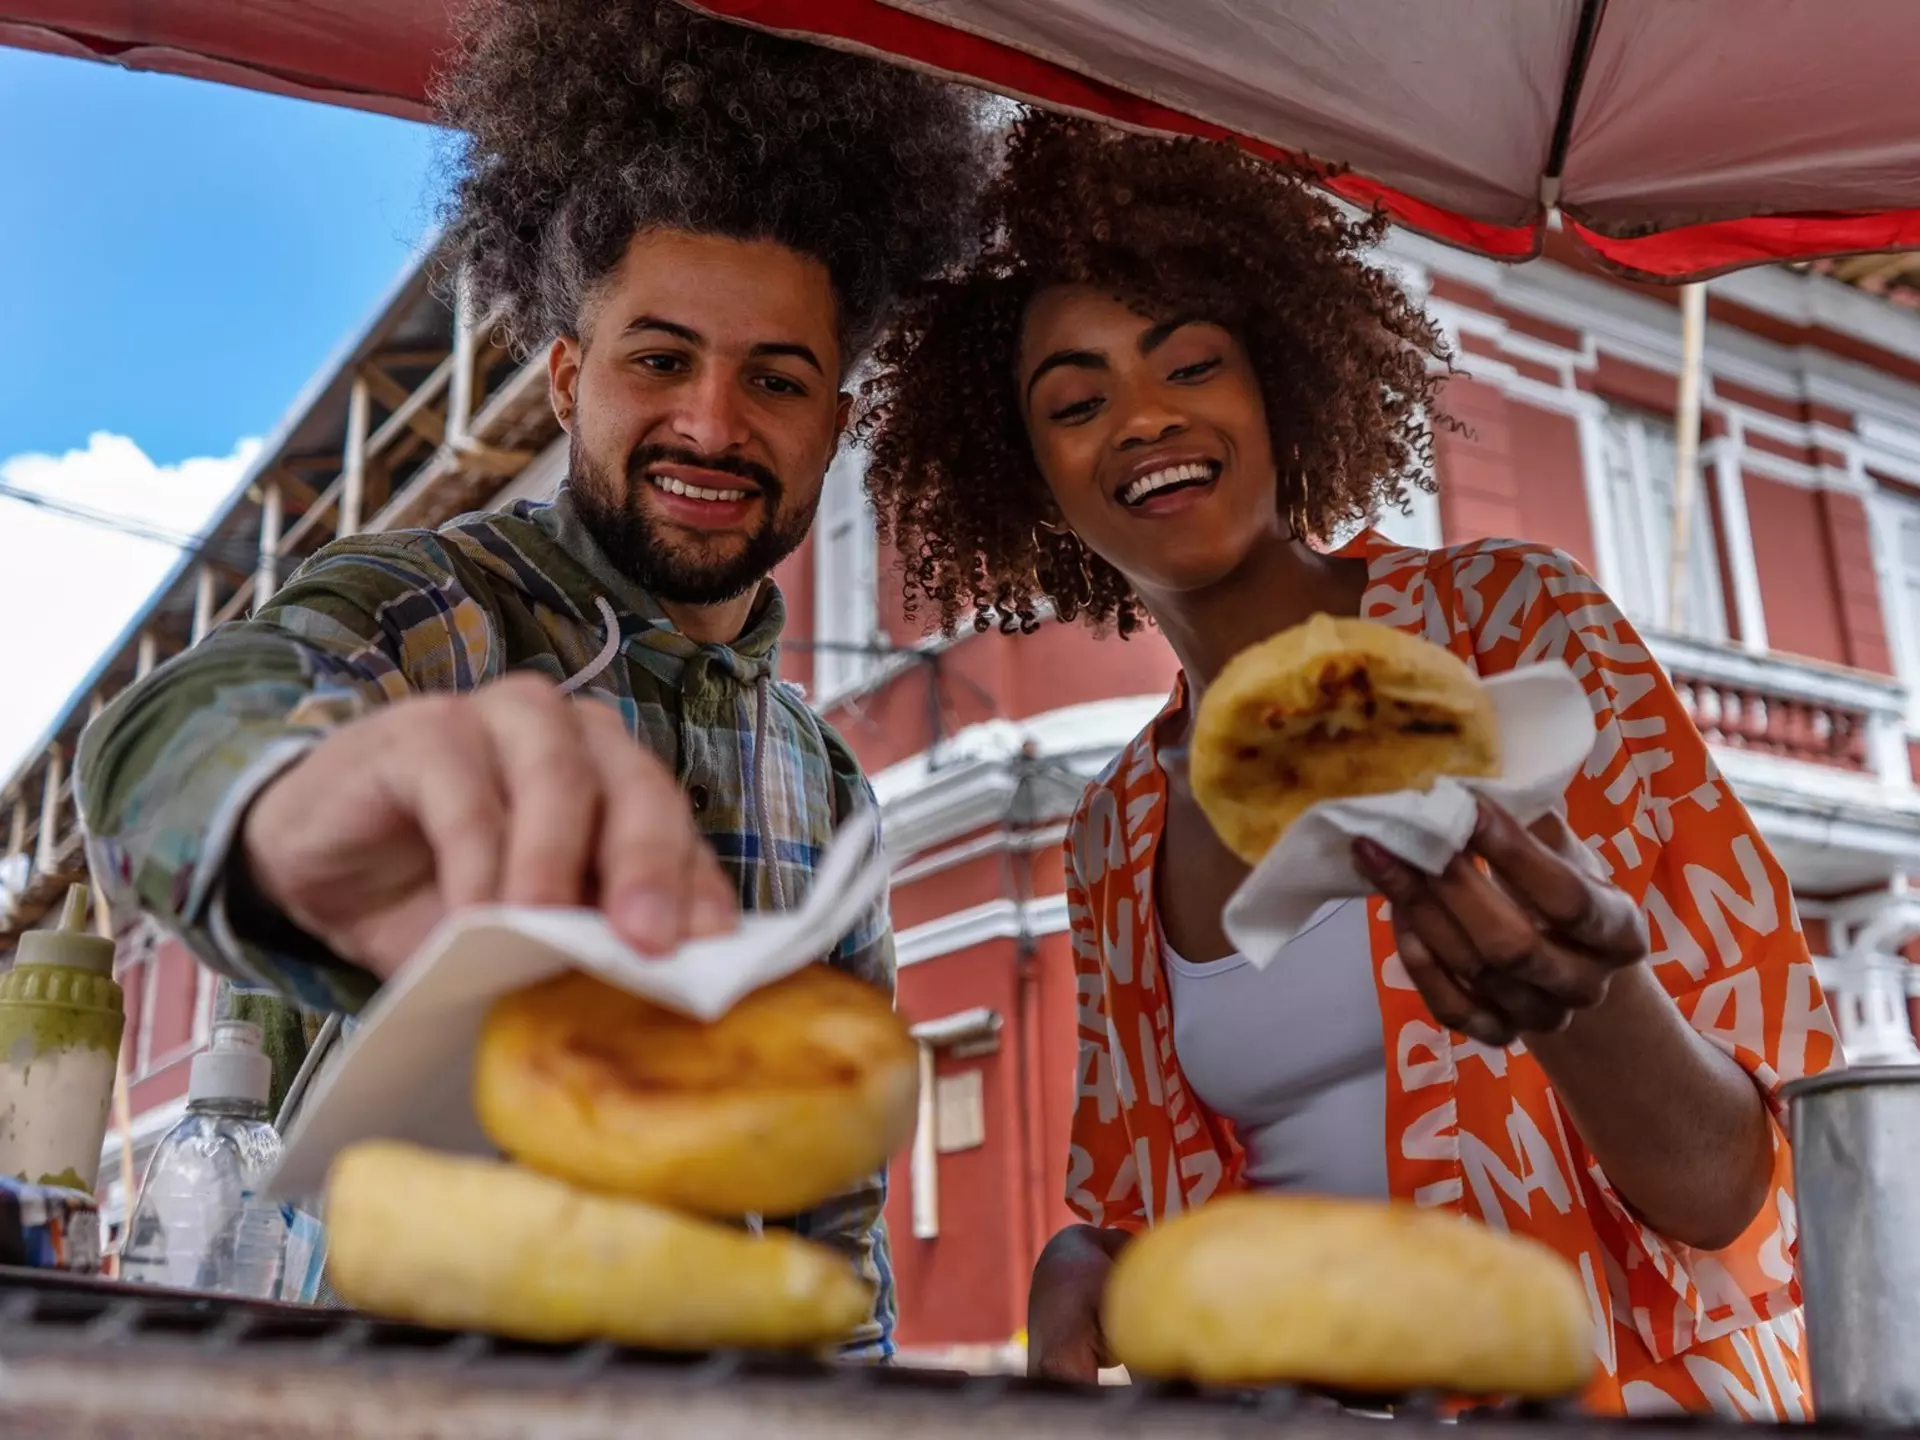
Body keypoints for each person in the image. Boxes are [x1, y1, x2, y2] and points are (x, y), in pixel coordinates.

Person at [859, 113, 1838, 1414]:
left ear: (1276, 386)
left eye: (1190, 363)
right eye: (1078, 401)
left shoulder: (1514, 635)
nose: (1144, 418)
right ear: (1038, 486)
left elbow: (1746, 1196)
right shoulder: (1116, 829)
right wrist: (1095, 1257)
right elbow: (1171, 1222)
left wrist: (1587, 1006)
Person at [77, 0, 988, 1359]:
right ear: (569, 378)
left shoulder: (831, 783)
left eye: (778, 380)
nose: (713, 422)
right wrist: (279, 803)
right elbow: (167, 739)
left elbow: (833, 1214)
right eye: (661, 358)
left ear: (835, 426)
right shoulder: (441, 608)